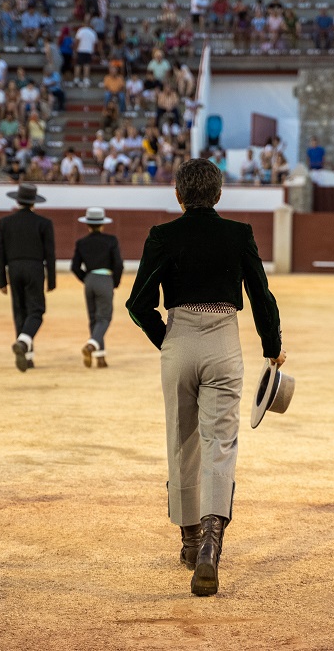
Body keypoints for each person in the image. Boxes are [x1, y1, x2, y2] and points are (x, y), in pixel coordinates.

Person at [125, 159, 286, 597]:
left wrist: (166, 339)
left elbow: (138, 303)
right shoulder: (239, 234)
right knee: (220, 443)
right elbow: (261, 295)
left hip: (179, 341)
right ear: (218, 194)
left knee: (182, 440)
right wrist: (272, 346)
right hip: (223, 343)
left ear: (178, 195)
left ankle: (190, 540)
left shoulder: (162, 235)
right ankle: (212, 547)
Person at [0, 184, 55, 372]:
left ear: (17, 201)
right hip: (35, 269)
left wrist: (1, 280)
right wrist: (51, 280)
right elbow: (50, 254)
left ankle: (27, 357)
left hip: (13, 269)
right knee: (36, 311)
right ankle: (23, 342)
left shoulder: (4, 222)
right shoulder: (44, 223)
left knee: (19, 310)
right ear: (33, 203)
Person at [71, 207, 123, 368]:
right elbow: (118, 264)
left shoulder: (81, 242)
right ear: (102, 224)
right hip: (105, 279)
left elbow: (75, 267)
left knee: (94, 319)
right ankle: (91, 345)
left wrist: (86, 279)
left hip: (90, 280)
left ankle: (100, 358)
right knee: (104, 318)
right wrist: (114, 282)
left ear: (87, 224)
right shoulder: (111, 240)